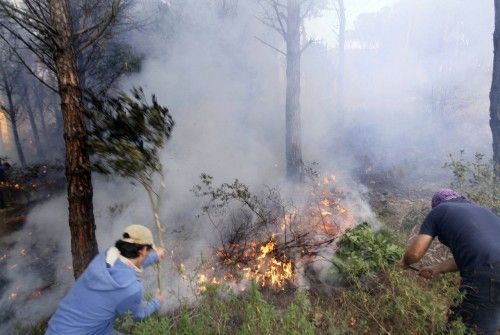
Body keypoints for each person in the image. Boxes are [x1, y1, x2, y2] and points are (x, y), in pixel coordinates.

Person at [399, 188, 500, 334]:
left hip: (487, 274)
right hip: (491, 269)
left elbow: (415, 253)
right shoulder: (485, 212)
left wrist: (404, 262)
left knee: (465, 329)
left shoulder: (440, 210)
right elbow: (474, 255)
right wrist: (437, 269)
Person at [46, 224, 166, 335]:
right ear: (143, 250)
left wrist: (154, 257)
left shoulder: (105, 258)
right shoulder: (131, 289)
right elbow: (138, 315)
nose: (149, 252)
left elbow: (125, 266)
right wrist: (156, 302)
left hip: (57, 328)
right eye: (149, 250)